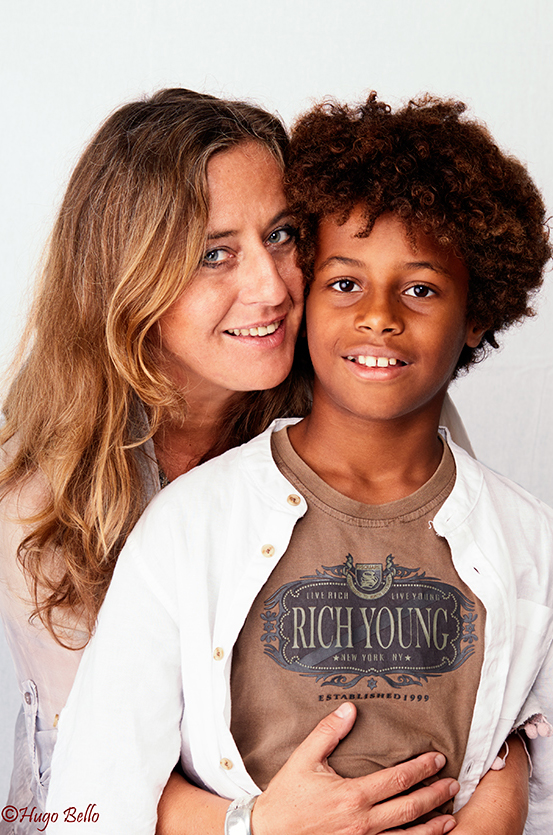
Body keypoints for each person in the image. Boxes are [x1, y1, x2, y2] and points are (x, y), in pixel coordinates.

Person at [45, 94, 552, 834]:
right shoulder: (173, 524)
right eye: (215, 252)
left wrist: (508, 780)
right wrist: (254, 824)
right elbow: (83, 799)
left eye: (280, 238)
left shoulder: (517, 529)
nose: (270, 287)